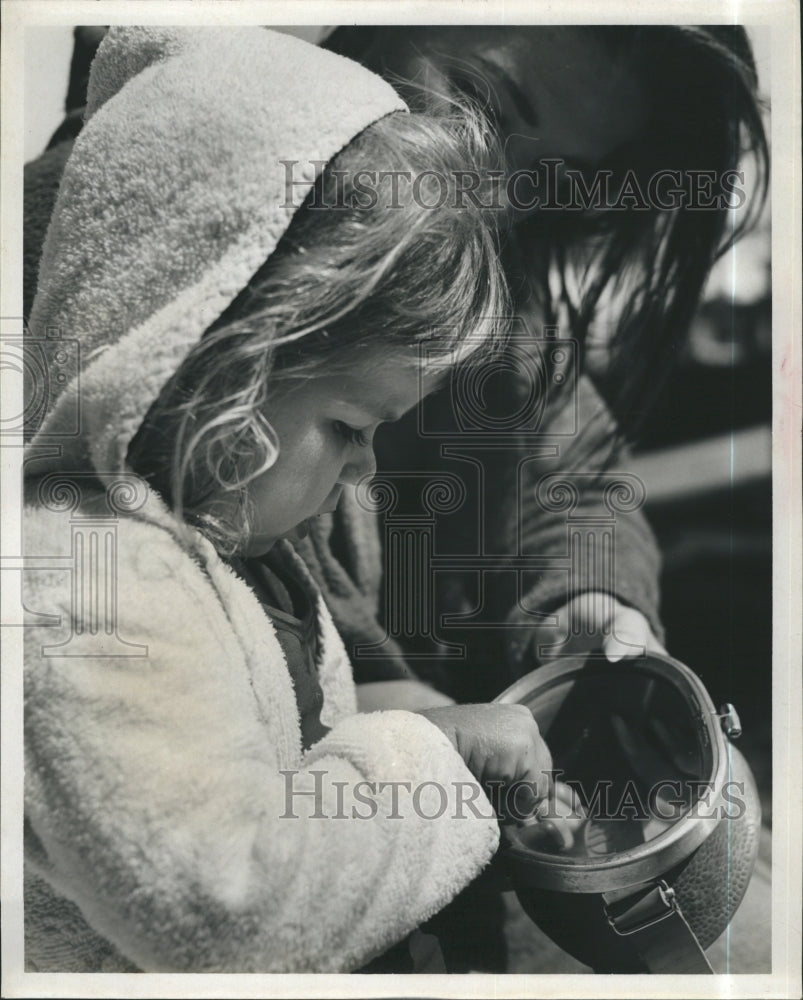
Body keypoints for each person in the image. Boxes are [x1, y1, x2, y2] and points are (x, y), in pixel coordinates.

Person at [22, 26, 573, 973]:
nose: (362, 471)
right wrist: (433, 766)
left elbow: (272, 778)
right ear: (215, 366)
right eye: (352, 427)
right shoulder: (93, 587)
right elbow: (225, 898)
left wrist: (442, 749)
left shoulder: (225, 559)